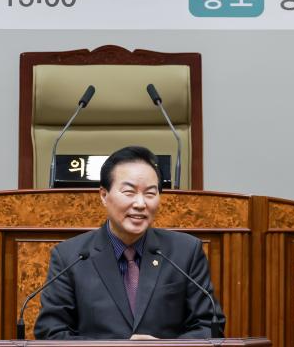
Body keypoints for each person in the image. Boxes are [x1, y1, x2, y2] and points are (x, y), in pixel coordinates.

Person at [34, 145, 224, 339]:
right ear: (104, 195)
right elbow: (51, 333)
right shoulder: (70, 257)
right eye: (129, 192)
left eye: (150, 193)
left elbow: (210, 327)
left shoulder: (185, 252)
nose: (140, 204)